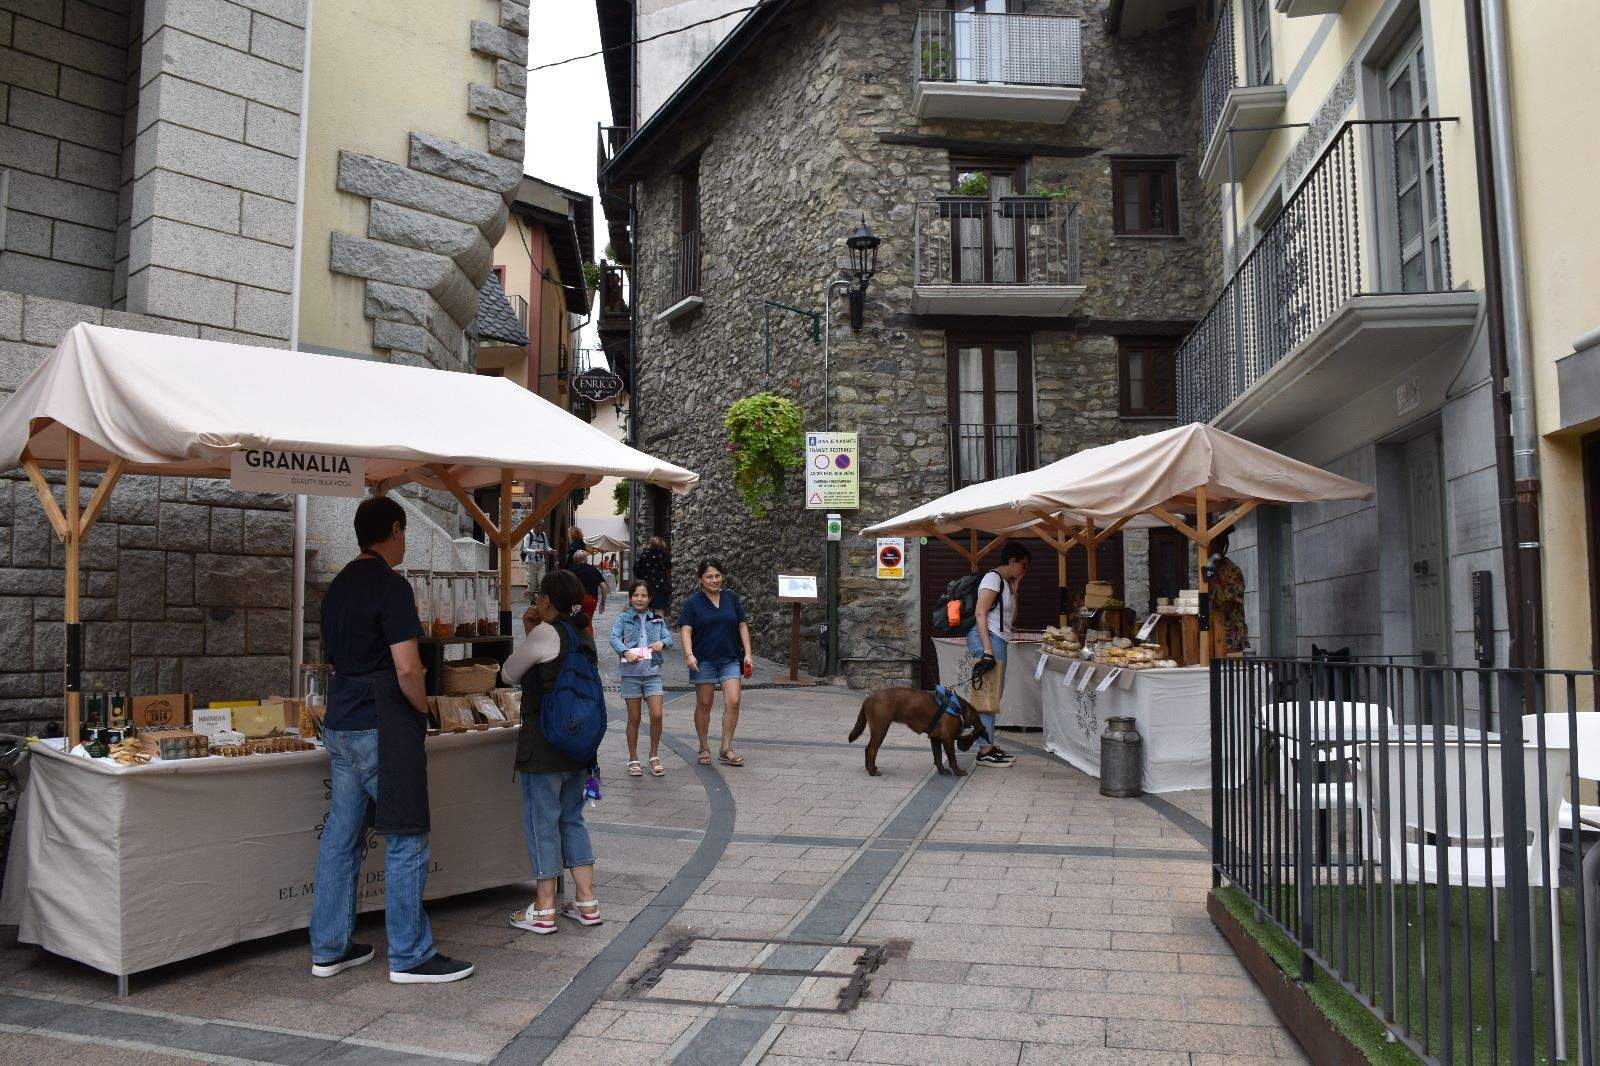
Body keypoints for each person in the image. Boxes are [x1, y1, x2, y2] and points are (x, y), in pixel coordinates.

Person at [310, 496, 474, 984]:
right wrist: (424, 707)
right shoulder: (391, 586)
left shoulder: (336, 587)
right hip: (383, 722)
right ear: (396, 530)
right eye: (403, 535)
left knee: (340, 840)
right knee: (406, 836)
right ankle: (409, 953)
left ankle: (330, 948)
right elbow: (407, 666)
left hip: (340, 720)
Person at [501, 570, 605, 935]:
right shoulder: (583, 634)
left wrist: (529, 631)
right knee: (572, 818)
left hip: (544, 746)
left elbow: (510, 673)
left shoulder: (546, 632)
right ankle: (587, 901)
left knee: (541, 821)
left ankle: (544, 906)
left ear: (546, 600)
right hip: (578, 747)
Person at [679, 559, 753, 767]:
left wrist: (748, 653)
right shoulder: (693, 603)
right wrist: (688, 654)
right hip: (704, 660)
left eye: (717, 575)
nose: (714, 580)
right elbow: (686, 630)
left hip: (729, 658)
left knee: (734, 701)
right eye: (709, 576)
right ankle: (703, 747)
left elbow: (742, 625)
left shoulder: (731, 598)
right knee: (704, 704)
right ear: (700, 579)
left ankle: (725, 748)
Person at [966, 541, 1031, 768]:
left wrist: (1015, 590)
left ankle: (989, 744)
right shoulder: (992, 579)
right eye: (1023, 565)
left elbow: (1009, 620)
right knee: (988, 695)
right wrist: (987, 650)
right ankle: (984, 750)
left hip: (997, 639)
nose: (1025, 570)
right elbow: (980, 613)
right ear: (1012, 561)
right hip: (988, 639)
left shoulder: (1004, 583)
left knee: (993, 695)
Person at [610, 579, 672, 778]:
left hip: (652, 673)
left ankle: (654, 756)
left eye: (644, 595)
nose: (639, 599)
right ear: (630, 598)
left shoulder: (657, 619)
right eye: (636, 595)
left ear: (650, 598)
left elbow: (669, 639)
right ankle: (633, 758)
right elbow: (613, 638)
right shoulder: (623, 618)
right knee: (634, 718)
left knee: (657, 715)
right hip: (631, 675)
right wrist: (625, 651)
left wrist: (662, 642)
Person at [1206, 531, 1248, 656]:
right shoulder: (1208, 570)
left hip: (1230, 638)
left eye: (1208, 544)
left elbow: (1228, 606)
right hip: (1211, 636)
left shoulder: (1233, 572)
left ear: (1217, 546)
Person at [635, 536, 672, 612]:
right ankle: (658, 624)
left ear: (651, 544)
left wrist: (642, 578)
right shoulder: (664, 555)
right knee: (659, 612)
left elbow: (636, 568)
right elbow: (669, 566)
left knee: (646, 611)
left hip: (646, 586)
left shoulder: (645, 554)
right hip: (661, 587)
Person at [568, 549, 606, 618]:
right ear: (586, 559)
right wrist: (602, 603)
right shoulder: (594, 569)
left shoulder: (571, 570)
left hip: (577, 600)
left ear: (575, 559)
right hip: (591, 600)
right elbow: (604, 586)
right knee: (587, 622)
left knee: (574, 623)